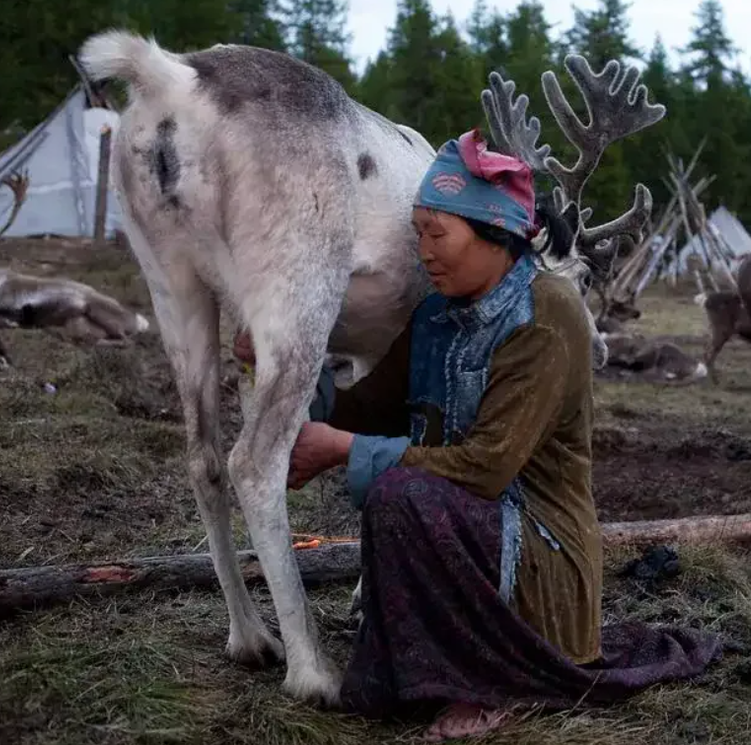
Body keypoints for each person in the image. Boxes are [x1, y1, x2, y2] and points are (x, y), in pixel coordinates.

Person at [233, 129, 722, 741]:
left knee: (402, 495)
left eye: (438, 233)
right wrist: (280, 361)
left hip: (540, 556)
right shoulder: (436, 316)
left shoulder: (546, 315)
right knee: (401, 495)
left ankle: (484, 682)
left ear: (495, 233)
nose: (425, 251)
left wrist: (343, 451)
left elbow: (488, 468)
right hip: (469, 536)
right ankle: (432, 666)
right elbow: (366, 409)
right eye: (418, 234)